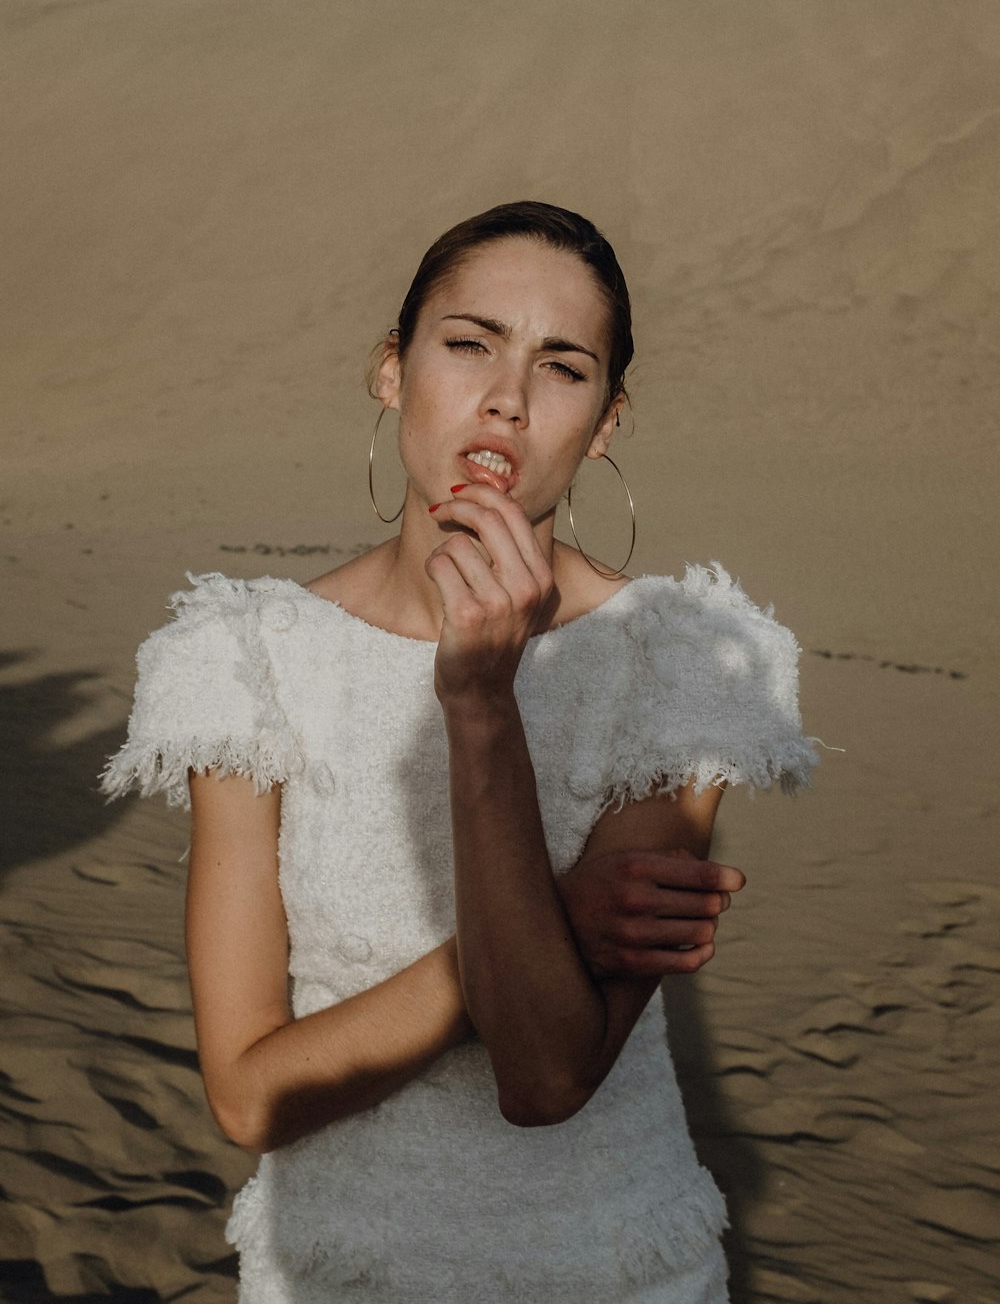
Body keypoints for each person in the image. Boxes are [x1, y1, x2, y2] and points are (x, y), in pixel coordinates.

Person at [100, 200, 818, 1303]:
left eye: (562, 365)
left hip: (615, 1272)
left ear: (607, 419)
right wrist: (557, 918)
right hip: (334, 1273)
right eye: (467, 341)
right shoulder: (245, 658)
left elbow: (545, 1073)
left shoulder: (678, 662)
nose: (507, 397)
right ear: (391, 370)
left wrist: (480, 703)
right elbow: (249, 1096)